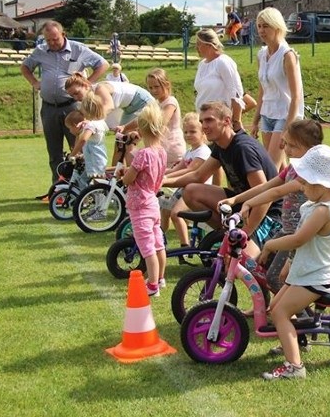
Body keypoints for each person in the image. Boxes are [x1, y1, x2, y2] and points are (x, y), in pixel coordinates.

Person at [257, 144, 330, 380]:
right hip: (306, 272)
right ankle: (293, 343)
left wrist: (268, 245)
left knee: (280, 314)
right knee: (275, 307)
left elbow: (298, 239)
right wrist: (289, 264)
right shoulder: (312, 205)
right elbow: (303, 244)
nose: (302, 187)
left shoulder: (324, 211)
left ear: (322, 185)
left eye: (306, 183)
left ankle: (295, 367)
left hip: (317, 278)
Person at [162, 101, 280, 260]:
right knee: (191, 191)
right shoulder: (221, 145)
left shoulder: (243, 148)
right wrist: (161, 181)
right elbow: (198, 176)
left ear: (226, 121)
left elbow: (265, 196)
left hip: (269, 213)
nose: (204, 126)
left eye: (209, 120)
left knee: (241, 261)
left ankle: (242, 240)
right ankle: (229, 236)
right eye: (202, 121)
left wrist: (245, 232)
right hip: (244, 203)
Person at [222, 118, 324, 294]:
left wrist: (248, 203)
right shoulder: (292, 168)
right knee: (262, 264)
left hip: (299, 233)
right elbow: (267, 185)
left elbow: (277, 192)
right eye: (287, 144)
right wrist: (236, 199)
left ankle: (297, 315)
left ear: (311, 150)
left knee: (274, 277)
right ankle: (264, 304)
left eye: (293, 146)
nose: (286, 149)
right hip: (286, 229)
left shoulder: (307, 174)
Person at [21, 20, 109, 187]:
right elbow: (25, 67)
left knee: (80, 147)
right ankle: (58, 187)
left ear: (63, 34)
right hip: (49, 107)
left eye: (55, 39)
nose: (52, 43)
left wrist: (88, 83)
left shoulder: (78, 49)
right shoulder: (40, 51)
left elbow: (103, 64)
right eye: (48, 40)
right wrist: (34, 82)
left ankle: (82, 187)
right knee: (54, 152)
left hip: (73, 106)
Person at [117, 104, 169, 297]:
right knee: (158, 244)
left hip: (141, 207)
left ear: (142, 128)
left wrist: (123, 175)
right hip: (153, 203)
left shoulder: (143, 154)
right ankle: (161, 278)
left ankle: (152, 285)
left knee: (147, 248)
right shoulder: (161, 152)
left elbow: (129, 178)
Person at [249, 7, 304, 171]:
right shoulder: (261, 55)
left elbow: (296, 96)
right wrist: (255, 121)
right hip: (267, 113)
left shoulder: (288, 55)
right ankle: (291, 195)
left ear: (277, 27)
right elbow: (262, 90)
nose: (261, 30)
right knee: (279, 168)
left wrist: (288, 127)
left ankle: (267, 197)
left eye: (266, 26)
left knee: (270, 167)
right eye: (259, 26)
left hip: (285, 114)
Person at [160, 112, 213, 263]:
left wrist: (167, 179)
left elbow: (191, 171)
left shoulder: (203, 151)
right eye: (185, 132)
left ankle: (185, 248)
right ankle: (160, 239)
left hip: (197, 191)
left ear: (203, 132)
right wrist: (162, 173)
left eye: (193, 131)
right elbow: (178, 168)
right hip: (185, 188)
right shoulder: (190, 151)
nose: (188, 135)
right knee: (165, 209)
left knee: (176, 214)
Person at [193, 28, 250, 128]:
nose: (196, 47)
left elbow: (236, 93)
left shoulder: (223, 62)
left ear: (208, 44)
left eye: (199, 44)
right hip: (204, 121)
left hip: (220, 122)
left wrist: (236, 121)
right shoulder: (202, 65)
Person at [64, 72, 154, 135]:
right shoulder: (87, 99)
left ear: (86, 86)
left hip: (142, 101)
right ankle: (120, 163)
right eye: (72, 96)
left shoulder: (100, 88)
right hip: (129, 108)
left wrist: (92, 122)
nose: (75, 98)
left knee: (130, 138)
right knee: (121, 139)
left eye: (76, 93)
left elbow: (109, 106)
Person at [145, 68, 185, 166]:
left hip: (172, 147)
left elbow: (161, 123)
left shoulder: (170, 103)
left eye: (156, 86)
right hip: (161, 147)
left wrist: (145, 130)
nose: (153, 90)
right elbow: (142, 119)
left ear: (166, 84)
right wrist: (125, 127)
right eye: (150, 87)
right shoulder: (156, 103)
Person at [68, 91, 109, 183]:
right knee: (86, 180)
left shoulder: (91, 126)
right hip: (98, 158)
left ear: (87, 110)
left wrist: (73, 153)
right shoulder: (100, 122)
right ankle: (91, 196)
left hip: (94, 160)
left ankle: (93, 197)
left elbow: (83, 139)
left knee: (95, 183)